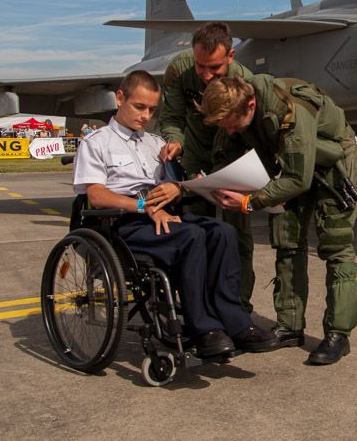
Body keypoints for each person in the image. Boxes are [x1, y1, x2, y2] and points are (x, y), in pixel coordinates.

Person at [73, 70, 278, 356]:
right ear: (120, 98)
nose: (146, 116)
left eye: (152, 110)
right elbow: (96, 194)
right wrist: (146, 207)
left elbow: (173, 181)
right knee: (191, 236)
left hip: (165, 215)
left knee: (223, 232)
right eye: (139, 107)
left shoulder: (157, 144)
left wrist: (178, 188)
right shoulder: (96, 143)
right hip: (124, 222)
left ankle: (237, 322)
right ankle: (204, 328)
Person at [204, 75, 357, 366]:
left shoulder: (291, 108)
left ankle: (339, 334)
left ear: (250, 104)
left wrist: (251, 201)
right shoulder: (236, 107)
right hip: (290, 163)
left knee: (336, 246)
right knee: (287, 241)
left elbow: (298, 179)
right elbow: (230, 153)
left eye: (230, 123)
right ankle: (289, 326)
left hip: (332, 166)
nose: (227, 130)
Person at [158, 21, 257, 311]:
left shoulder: (244, 82)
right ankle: (195, 303)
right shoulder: (179, 69)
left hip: (231, 158)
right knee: (193, 229)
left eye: (214, 68)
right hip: (194, 154)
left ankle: (238, 303)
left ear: (231, 56)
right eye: (201, 67)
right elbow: (172, 117)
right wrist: (174, 141)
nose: (206, 75)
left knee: (238, 232)